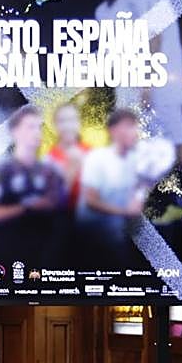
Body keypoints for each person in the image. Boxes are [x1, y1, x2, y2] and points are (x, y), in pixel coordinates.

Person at [119, 0, 182, 161]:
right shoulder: (146, 0)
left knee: (176, 146)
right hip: (158, 86)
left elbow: (153, 42)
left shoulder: (154, 1)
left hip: (160, 88)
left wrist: (146, 84)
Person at [0, 104, 66, 263]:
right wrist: (27, 207)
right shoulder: (3, 171)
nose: (36, 133)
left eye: (38, 127)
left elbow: (63, 214)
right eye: (30, 127)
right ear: (15, 132)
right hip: (10, 259)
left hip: (49, 261)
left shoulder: (51, 171)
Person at [75, 108, 152, 265]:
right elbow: (90, 200)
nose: (134, 131)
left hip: (122, 240)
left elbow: (137, 204)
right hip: (91, 239)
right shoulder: (97, 158)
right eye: (129, 126)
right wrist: (124, 211)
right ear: (113, 130)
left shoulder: (138, 161)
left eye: (135, 126)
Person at [46, 102, 90, 209]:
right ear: (54, 125)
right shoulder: (48, 162)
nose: (68, 126)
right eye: (62, 121)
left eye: (72, 120)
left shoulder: (93, 154)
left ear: (79, 123)